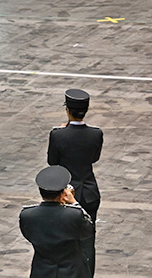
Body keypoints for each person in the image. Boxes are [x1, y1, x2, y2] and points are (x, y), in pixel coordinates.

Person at [46, 89, 102, 276]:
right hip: (89, 191)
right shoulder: (96, 134)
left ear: (68, 110)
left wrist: (63, 131)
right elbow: (94, 158)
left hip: (65, 193)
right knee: (87, 239)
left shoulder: (58, 135)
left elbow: (52, 161)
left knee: (63, 239)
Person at [19, 166, 94, 278]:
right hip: (72, 271)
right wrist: (74, 203)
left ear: (39, 189)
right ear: (63, 192)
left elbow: (28, 235)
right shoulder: (74, 214)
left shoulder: (27, 214)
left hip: (42, 270)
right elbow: (88, 231)